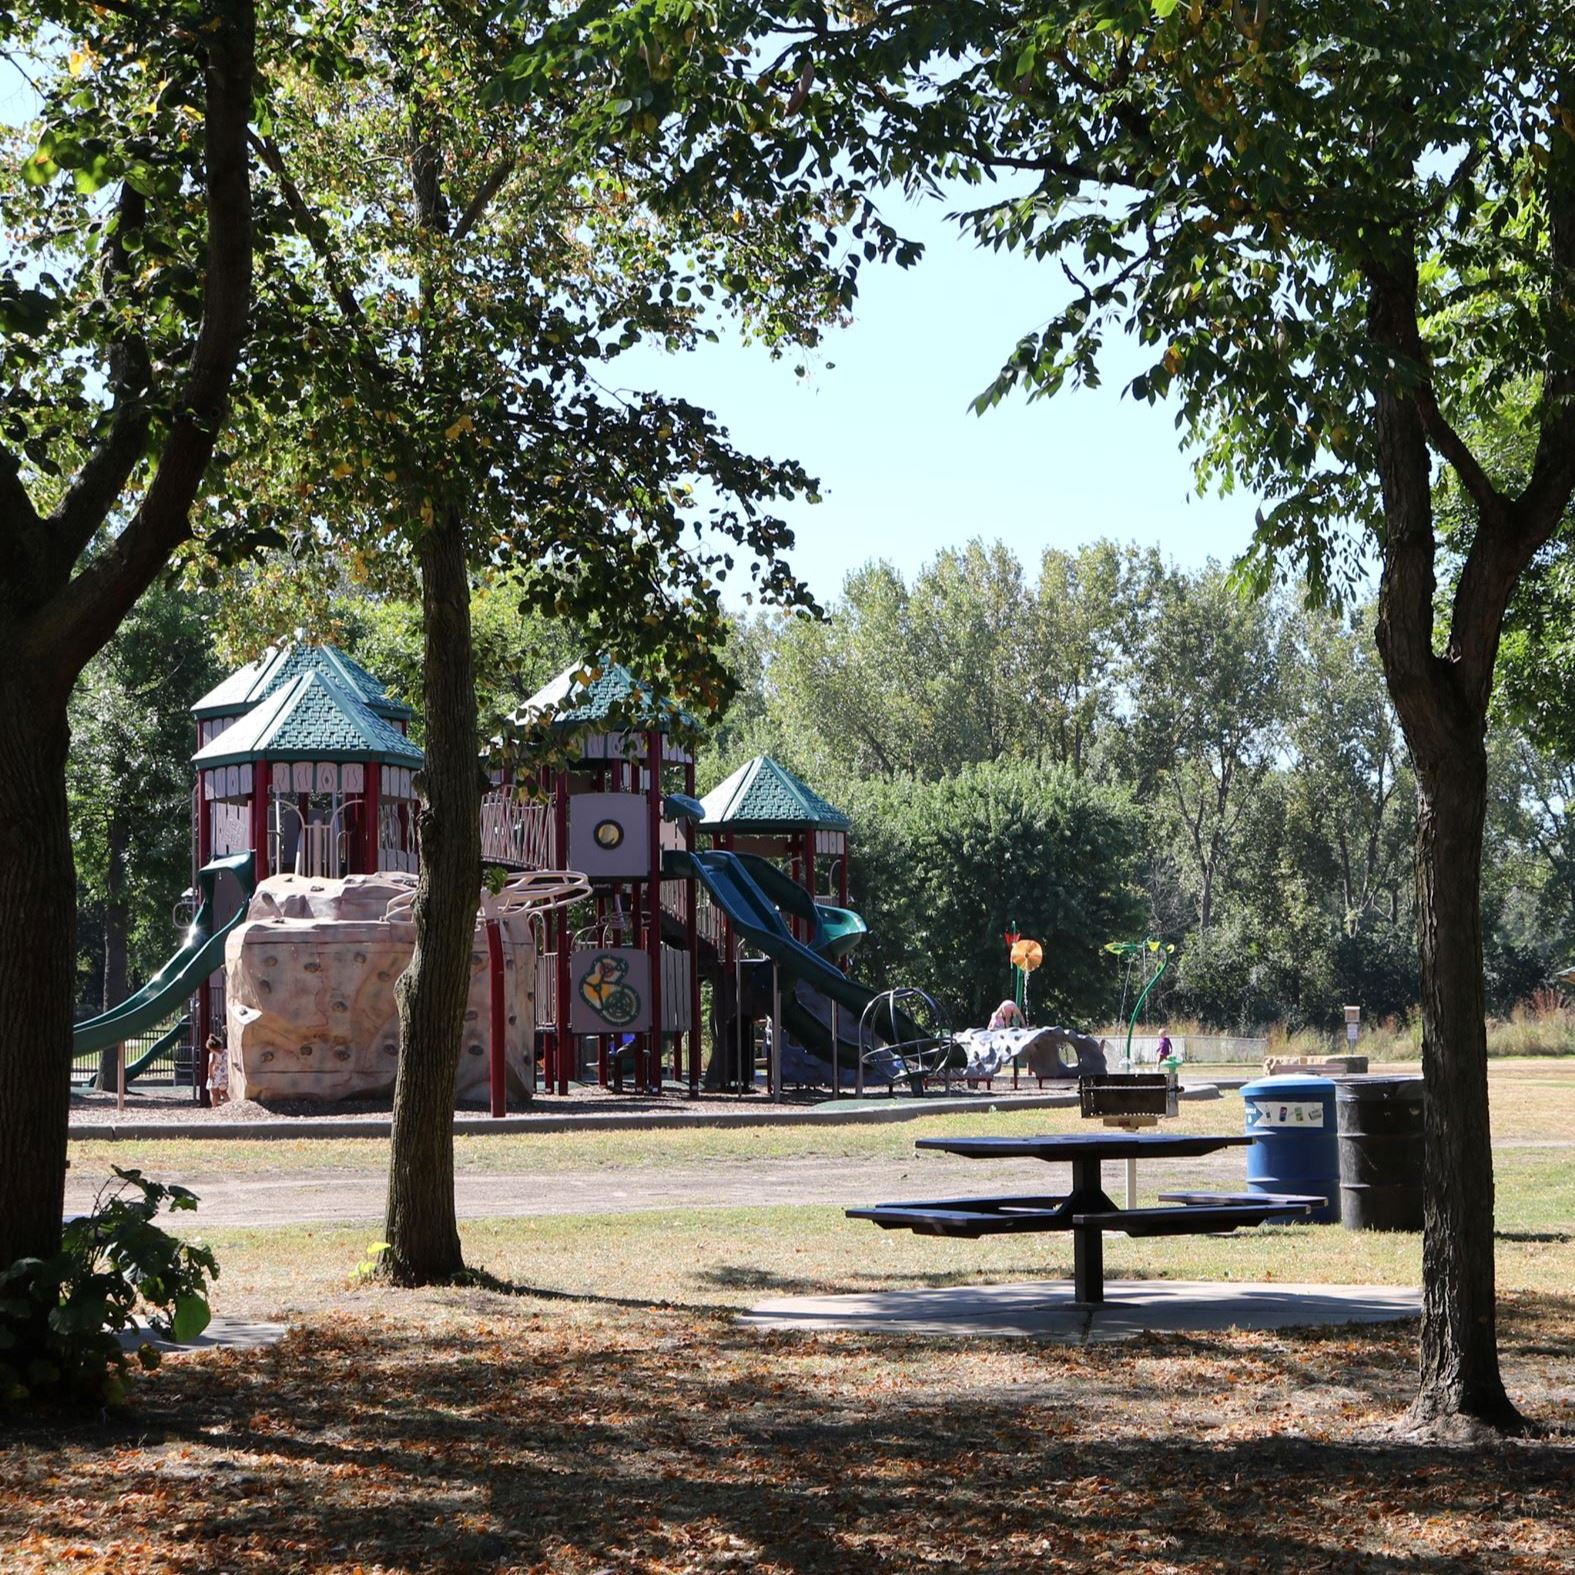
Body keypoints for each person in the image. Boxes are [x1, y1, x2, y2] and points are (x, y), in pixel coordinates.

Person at [205, 1033, 230, 1107]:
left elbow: (211, 1064)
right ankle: (229, 1104)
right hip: (224, 1075)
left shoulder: (213, 1054)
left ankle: (214, 1107)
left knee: (214, 1093)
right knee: (223, 1092)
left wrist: (210, 1073)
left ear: (211, 1047)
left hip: (215, 1076)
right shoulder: (225, 1052)